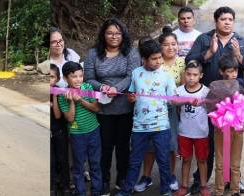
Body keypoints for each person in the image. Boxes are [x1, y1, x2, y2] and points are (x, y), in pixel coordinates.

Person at [185, 6, 244, 195]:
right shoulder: (204, 39)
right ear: (216, 21)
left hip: (233, 105)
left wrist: (240, 56)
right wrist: (208, 52)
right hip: (211, 101)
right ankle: (202, 180)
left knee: (232, 145)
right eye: (223, 19)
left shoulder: (241, 42)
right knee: (208, 142)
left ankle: (233, 181)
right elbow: (190, 61)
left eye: (230, 19)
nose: (227, 22)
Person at [84, 18, 141, 195]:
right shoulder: (93, 53)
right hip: (102, 108)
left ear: (123, 35)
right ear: (103, 34)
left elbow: (133, 75)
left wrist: (117, 88)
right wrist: (102, 87)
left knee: (123, 146)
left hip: (125, 107)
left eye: (117, 33)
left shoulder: (131, 52)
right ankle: (104, 181)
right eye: (110, 33)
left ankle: (121, 180)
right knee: (105, 146)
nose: (114, 36)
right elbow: (88, 78)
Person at [116, 38, 176, 196]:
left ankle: (165, 189)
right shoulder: (136, 73)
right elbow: (131, 93)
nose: (158, 61)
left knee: (163, 161)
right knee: (135, 161)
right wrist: (131, 97)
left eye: (159, 57)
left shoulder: (166, 75)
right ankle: (126, 190)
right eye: (154, 59)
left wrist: (183, 99)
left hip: (161, 126)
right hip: (139, 127)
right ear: (144, 59)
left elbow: (173, 100)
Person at [136, 27, 184, 194]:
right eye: (166, 45)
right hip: (149, 111)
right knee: (149, 145)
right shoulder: (152, 62)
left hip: (171, 110)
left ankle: (170, 176)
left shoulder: (182, 63)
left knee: (170, 144)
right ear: (159, 47)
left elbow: (185, 86)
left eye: (174, 44)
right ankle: (146, 176)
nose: (171, 47)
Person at [59, 61, 102, 196]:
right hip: (77, 134)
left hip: (94, 130)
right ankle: (80, 192)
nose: (78, 79)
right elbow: (70, 119)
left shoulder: (88, 87)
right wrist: (71, 101)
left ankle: (96, 191)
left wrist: (80, 100)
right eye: (74, 76)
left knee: (95, 164)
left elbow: (96, 108)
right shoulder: (62, 94)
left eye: (80, 76)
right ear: (66, 78)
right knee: (78, 166)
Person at [174, 61, 210, 196]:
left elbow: (213, 106)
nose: (191, 77)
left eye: (195, 75)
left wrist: (204, 102)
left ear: (201, 75)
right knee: (186, 159)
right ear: (185, 74)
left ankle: (204, 185)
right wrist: (186, 100)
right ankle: (184, 185)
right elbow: (173, 102)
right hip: (184, 132)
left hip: (201, 133)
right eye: (188, 74)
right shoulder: (180, 90)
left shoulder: (206, 91)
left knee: (202, 160)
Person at [211, 54, 244, 196]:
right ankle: (219, 190)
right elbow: (211, 106)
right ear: (221, 71)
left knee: (235, 163)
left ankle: (235, 190)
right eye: (229, 71)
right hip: (220, 128)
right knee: (220, 163)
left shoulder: (240, 85)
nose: (233, 74)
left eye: (235, 71)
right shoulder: (215, 86)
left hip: (236, 129)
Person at [50, 64, 71, 196]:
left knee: (62, 158)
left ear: (57, 79)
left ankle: (65, 185)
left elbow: (58, 115)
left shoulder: (60, 92)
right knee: (51, 160)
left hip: (59, 130)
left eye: (51, 77)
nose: (49, 80)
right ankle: (51, 186)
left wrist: (54, 97)